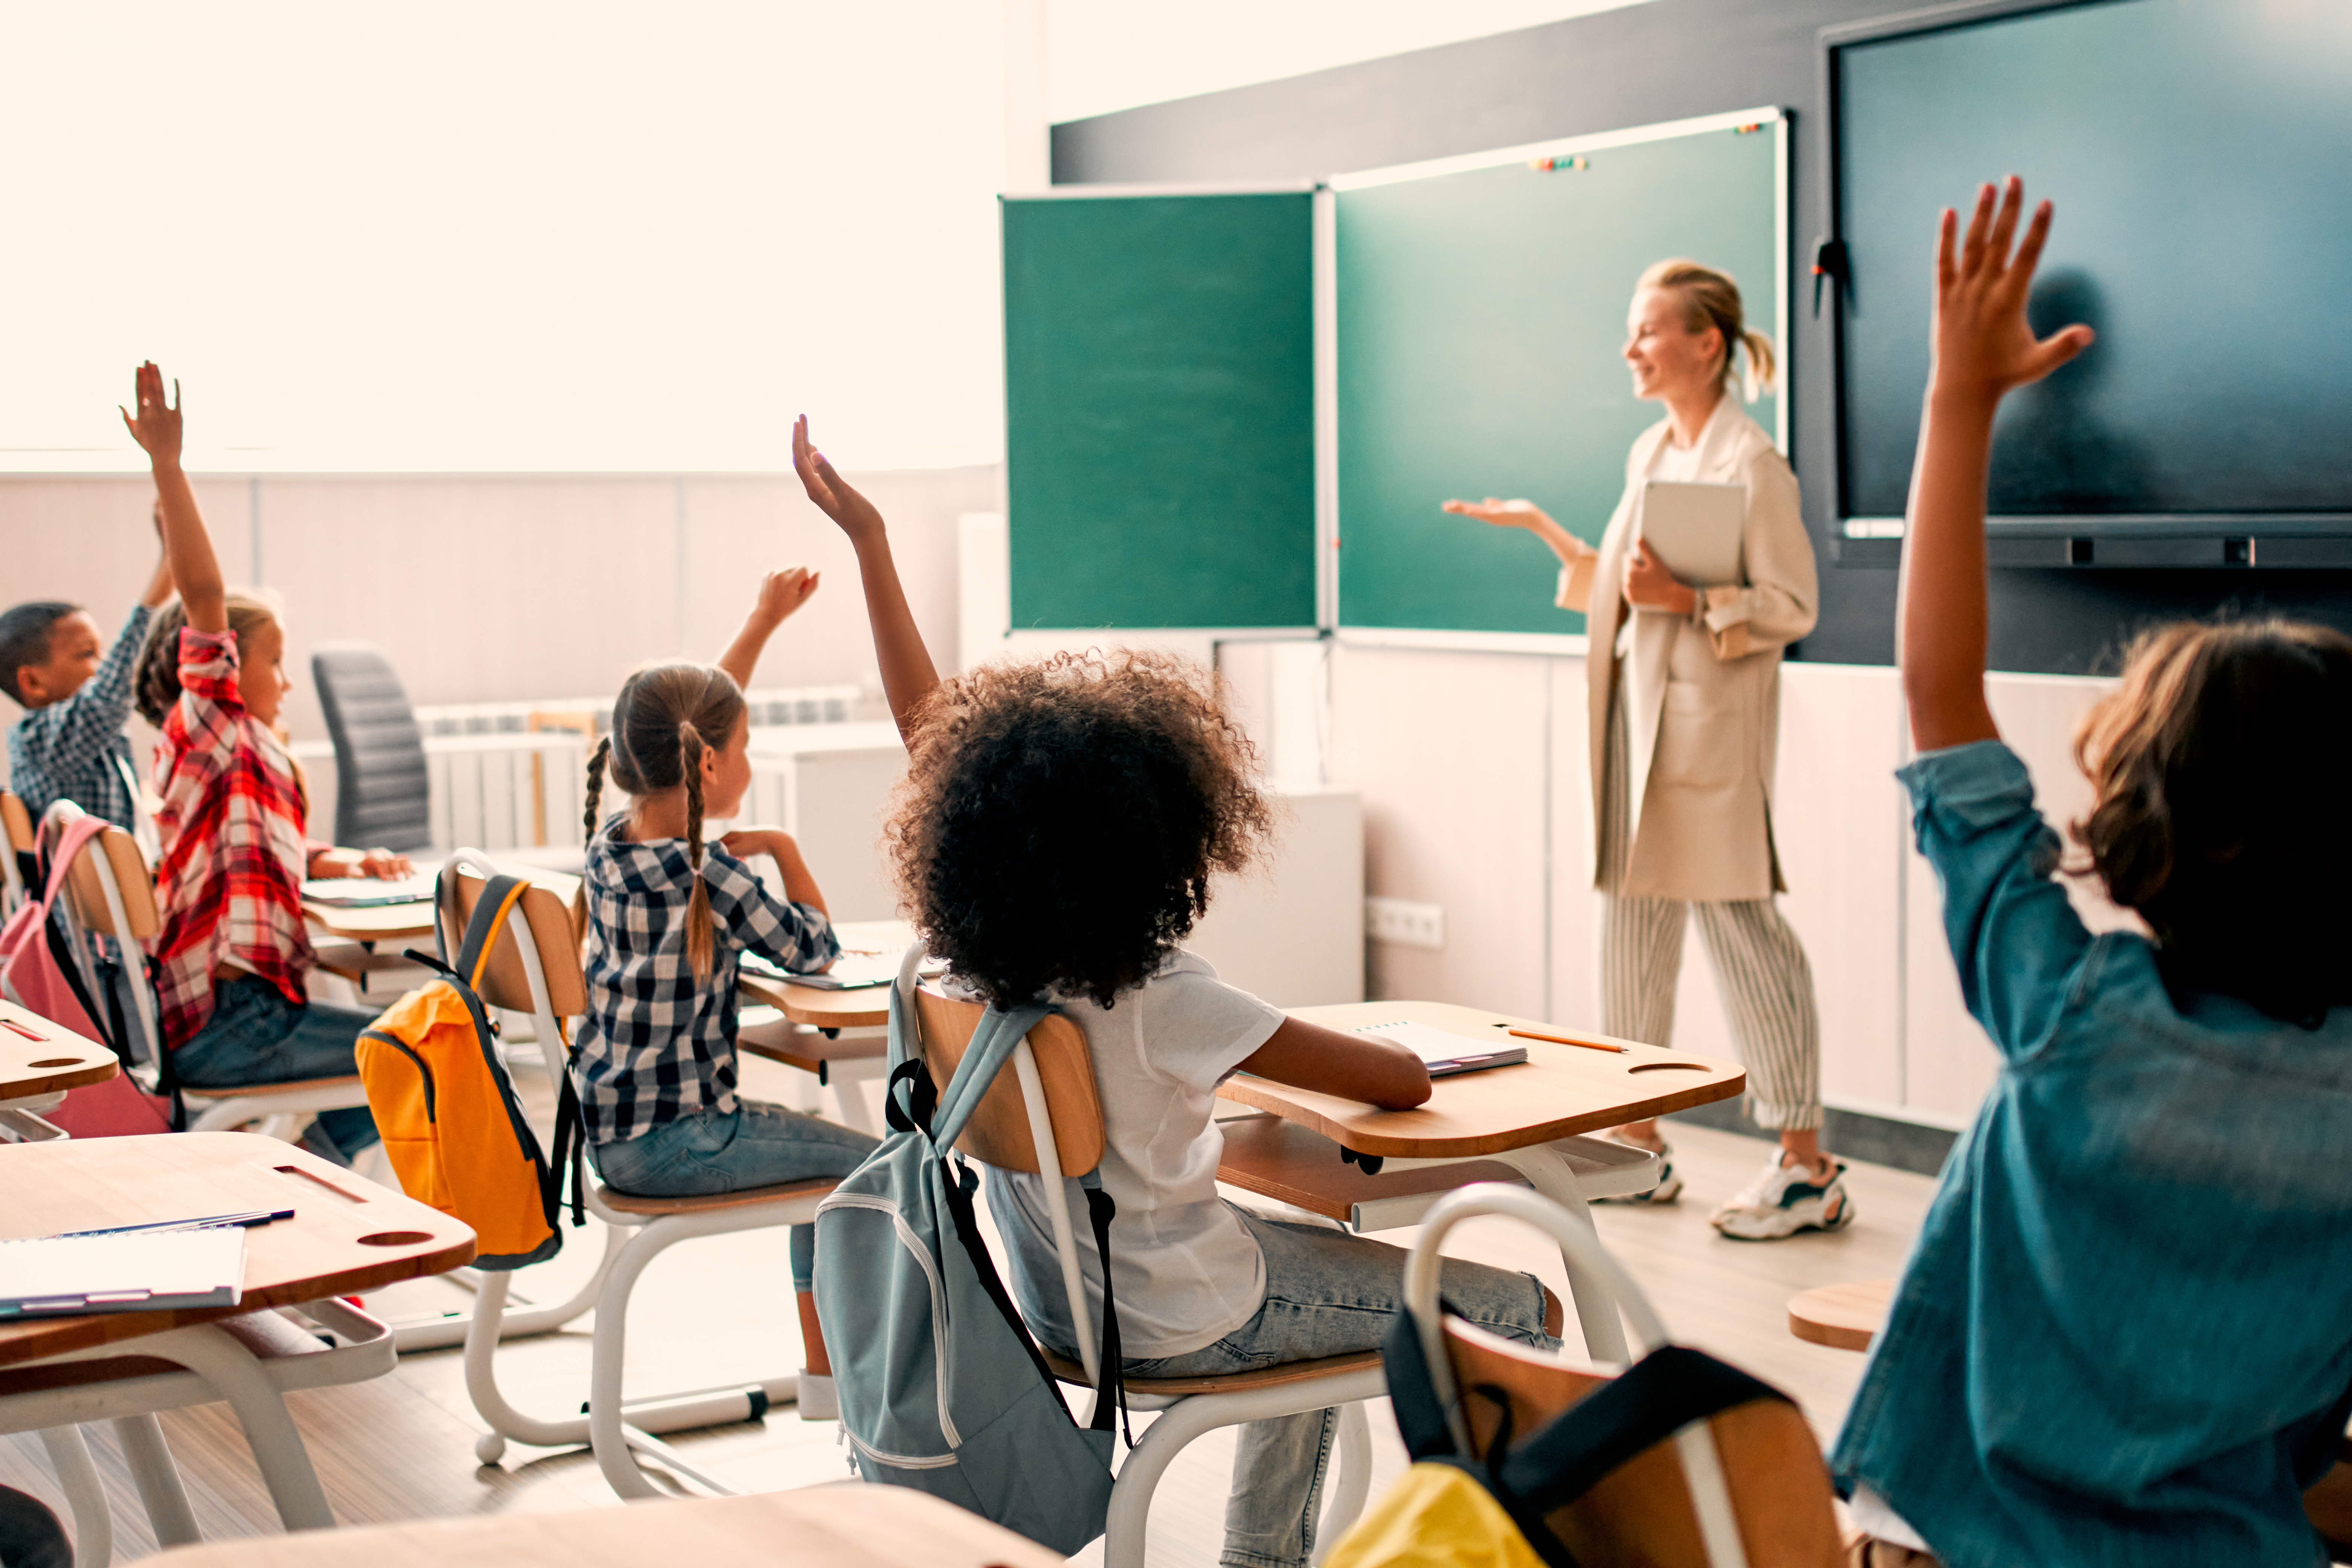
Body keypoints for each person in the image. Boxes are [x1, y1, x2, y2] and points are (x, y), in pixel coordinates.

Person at [793, 414, 1561, 1568]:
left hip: (1060, 1308)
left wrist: (871, 544)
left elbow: (932, 739)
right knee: (1518, 1308)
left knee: (1304, 1266)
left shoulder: (965, 962)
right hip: (1189, 1313)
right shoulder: (1165, 997)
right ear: (1164, 842)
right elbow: (1397, 1080)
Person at [1834, 176, 2352, 1567]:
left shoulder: (2065, 1008)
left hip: (1948, 1542)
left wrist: (1957, 403)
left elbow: (1940, 694)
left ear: (2150, 827)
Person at [1442, 259, 1846, 1239]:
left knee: (1744, 934)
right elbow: (1633, 589)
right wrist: (1547, 532)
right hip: (1637, 722)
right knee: (1630, 931)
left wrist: (1698, 603)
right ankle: (1639, 1144)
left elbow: (1795, 607)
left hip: (1708, 735)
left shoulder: (1753, 463)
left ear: (1705, 344)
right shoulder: (1652, 452)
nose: (1630, 350)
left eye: (1648, 332)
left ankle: (1808, 1167)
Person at [572, 565, 877, 1417]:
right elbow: (813, 949)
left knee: (839, 1161)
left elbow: (692, 715)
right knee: (876, 1167)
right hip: (683, 1141)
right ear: (708, 763)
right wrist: (782, 846)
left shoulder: (609, 844)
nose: (745, 758)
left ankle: (828, 1375)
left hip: (613, 1131)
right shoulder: (713, 875)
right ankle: (843, 1383)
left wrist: (760, 620)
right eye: (741, 748)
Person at [122, 363, 409, 1164]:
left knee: (444, 1035)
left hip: (245, 1014)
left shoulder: (244, 755)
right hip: (231, 1028)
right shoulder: (212, 724)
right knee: (442, 1044)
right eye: (274, 660)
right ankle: (321, 1162)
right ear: (223, 666)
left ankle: (318, 1161)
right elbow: (205, 594)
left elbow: (257, 852)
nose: (286, 680)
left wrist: (340, 860)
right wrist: (168, 466)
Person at [1, 507, 173, 839]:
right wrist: (152, 601)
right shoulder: (39, 739)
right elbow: (110, 695)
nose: (102, 667)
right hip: (81, 892)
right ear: (32, 682)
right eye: (87, 655)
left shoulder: (85, 735)